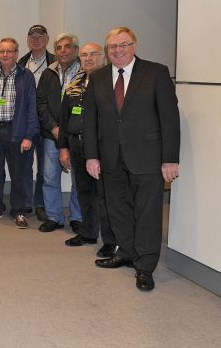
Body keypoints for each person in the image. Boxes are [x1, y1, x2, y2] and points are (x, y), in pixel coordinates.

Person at [84, 27, 180, 292]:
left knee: (148, 213)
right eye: (113, 46)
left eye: (123, 44)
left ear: (134, 45)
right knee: (117, 210)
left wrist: (170, 158)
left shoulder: (156, 73)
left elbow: (169, 118)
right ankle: (126, 252)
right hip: (110, 158)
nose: (118, 50)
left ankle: (145, 266)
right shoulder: (99, 77)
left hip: (147, 157)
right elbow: (90, 121)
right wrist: (92, 156)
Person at [57, 43, 118, 256]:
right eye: (84, 55)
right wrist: (63, 147)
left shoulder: (111, 82)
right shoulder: (74, 83)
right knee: (84, 191)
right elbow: (64, 119)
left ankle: (111, 240)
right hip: (76, 143)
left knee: (105, 194)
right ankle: (89, 231)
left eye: (94, 54)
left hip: (102, 146)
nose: (89, 58)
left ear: (103, 56)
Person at [0, 37, 38, 229]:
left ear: (16, 53)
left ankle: (19, 211)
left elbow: (31, 108)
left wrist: (28, 136)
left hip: (17, 130)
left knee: (18, 174)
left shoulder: (25, 76)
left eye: (9, 51)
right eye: (2, 51)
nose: (5, 55)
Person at [36, 33, 83, 233]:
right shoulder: (49, 73)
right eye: (59, 48)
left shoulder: (86, 72)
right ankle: (54, 216)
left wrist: (71, 130)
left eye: (67, 47)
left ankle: (77, 217)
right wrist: (55, 128)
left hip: (78, 135)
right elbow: (41, 103)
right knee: (49, 177)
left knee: (78, 178)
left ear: (75, 49)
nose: (63, 51)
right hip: (51, 134)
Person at [18, 24, 55, 220]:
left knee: (44, 168)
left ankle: (40, 203)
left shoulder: (55, 62)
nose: (35, 40)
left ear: (47, 39)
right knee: (24, 165)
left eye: (40, 36)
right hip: (26, 122)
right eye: (32, 36)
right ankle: (25, 202)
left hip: (47, 122)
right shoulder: (22, 63)